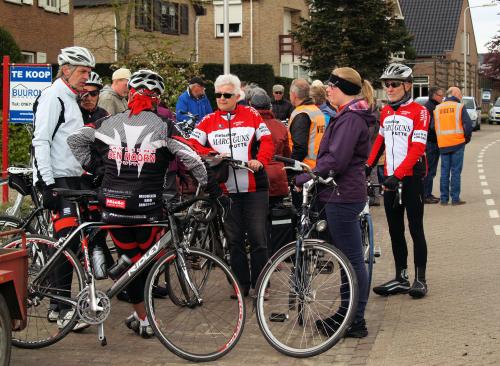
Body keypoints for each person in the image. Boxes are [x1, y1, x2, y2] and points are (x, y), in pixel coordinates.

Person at [67, 69, 223, 338]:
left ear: (130, 95)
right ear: (157, 100)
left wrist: (97, 167)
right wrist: (212, 189)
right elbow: (192, 159)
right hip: (147, 209)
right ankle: (145, 316)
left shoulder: (108, 122)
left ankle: (140, 312)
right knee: (146, 264)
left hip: (112, 208)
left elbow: (75, 140)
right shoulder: (164, 126)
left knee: (134, 262)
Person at [295, 67, 376, 338]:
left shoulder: (351, 119)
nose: (327, 89)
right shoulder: (349, 116)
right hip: (342, 193)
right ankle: (347, 314)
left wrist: (309, 175)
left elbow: (337, 160)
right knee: (347, 260)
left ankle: (354, 321)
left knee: (352, 261)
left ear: (342, 89)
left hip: (342, 195)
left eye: (331, 85)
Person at [189, 74, 274, 297]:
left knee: (258, 238)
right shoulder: (208, 121)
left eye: (227, 94)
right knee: (234, 240)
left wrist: (260, 161)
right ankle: (240, 285)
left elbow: (267, 141)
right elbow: (192, 144)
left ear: (238, 95)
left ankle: (260, 284)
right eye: (218, 95)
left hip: (254, 188)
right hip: (226, 191)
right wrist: (212, 153)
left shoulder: (252, 114)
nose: (222, 98)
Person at [31, 46, 96, 331]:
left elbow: (69, 144)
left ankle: (59, 306)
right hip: (56, 179)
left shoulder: (70, 99)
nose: (87, 78)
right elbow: (41, 141)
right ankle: (63, 308)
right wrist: (47, 183)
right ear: (66, 69)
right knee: (66, 244)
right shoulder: (53, 96)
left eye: (89, 72)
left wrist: (88, 169)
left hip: (71, 179)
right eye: (83, 72)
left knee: (72, 242)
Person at [366, 63, 430, 298]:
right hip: (391, 180)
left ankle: (420, 280)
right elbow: (379, 142)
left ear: (407, 86)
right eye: (386, 84)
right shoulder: (386, 112)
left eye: (394, 84)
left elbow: (417, 148)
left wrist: (398, 175)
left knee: (415, 229)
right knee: (395, 230)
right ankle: (401, 277)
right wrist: (367, 166)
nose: (389, 88)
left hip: (410, 179)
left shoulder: (419, 112)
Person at [248, 89, 291, 256]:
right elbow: (287, 153)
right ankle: (277, 253)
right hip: (278, 176)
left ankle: (262, 255)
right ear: (270, 106)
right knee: (276, 218)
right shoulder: (280, 126)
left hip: (258, 176)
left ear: (251, 106)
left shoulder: (250, 125)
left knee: (259, 220)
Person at [434, 86, 473, 205]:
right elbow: (468, 124)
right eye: (460, 94)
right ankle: (455, 199)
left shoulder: (437, 108)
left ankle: (444, 199)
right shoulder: (459, 107)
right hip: (457, 143)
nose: (461, 96)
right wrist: (466, 139)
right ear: (455, 93)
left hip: (443, 144)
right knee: (455, 171)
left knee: (444, 172)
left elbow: (432, 127)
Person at [423, 86, 445, 204]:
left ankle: (427, 193)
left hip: (430, 142)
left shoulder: (429, 106)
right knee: (430, 170)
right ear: (435, 95)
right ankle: (426, 195)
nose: (442, 98)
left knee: (430, 170)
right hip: (431, 143)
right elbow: (431, 127)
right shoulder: (432, 108)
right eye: (441, 95)